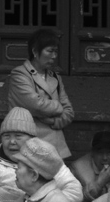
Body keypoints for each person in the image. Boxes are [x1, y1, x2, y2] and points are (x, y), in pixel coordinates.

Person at [0, 107, 82, 202]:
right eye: (6, 136)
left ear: (32, 139)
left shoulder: (45, 156)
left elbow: (74, 191)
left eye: (18, 136)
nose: (12, 141)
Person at [7, 28, 74, 158]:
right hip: (29, 146)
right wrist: (58, 106)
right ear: (35, 51)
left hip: (55, 148)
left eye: (56, 51)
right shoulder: (20, 74)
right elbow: (35, 105)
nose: (54, 56)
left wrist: (52, 121)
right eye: (50, 51)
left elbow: (69, 112)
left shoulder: (55, 77)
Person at [70, 131, 110, 202]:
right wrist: (98, 185)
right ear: (92, 152)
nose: (105, 158)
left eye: (109, 152)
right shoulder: (77, 169)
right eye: (100, 152)